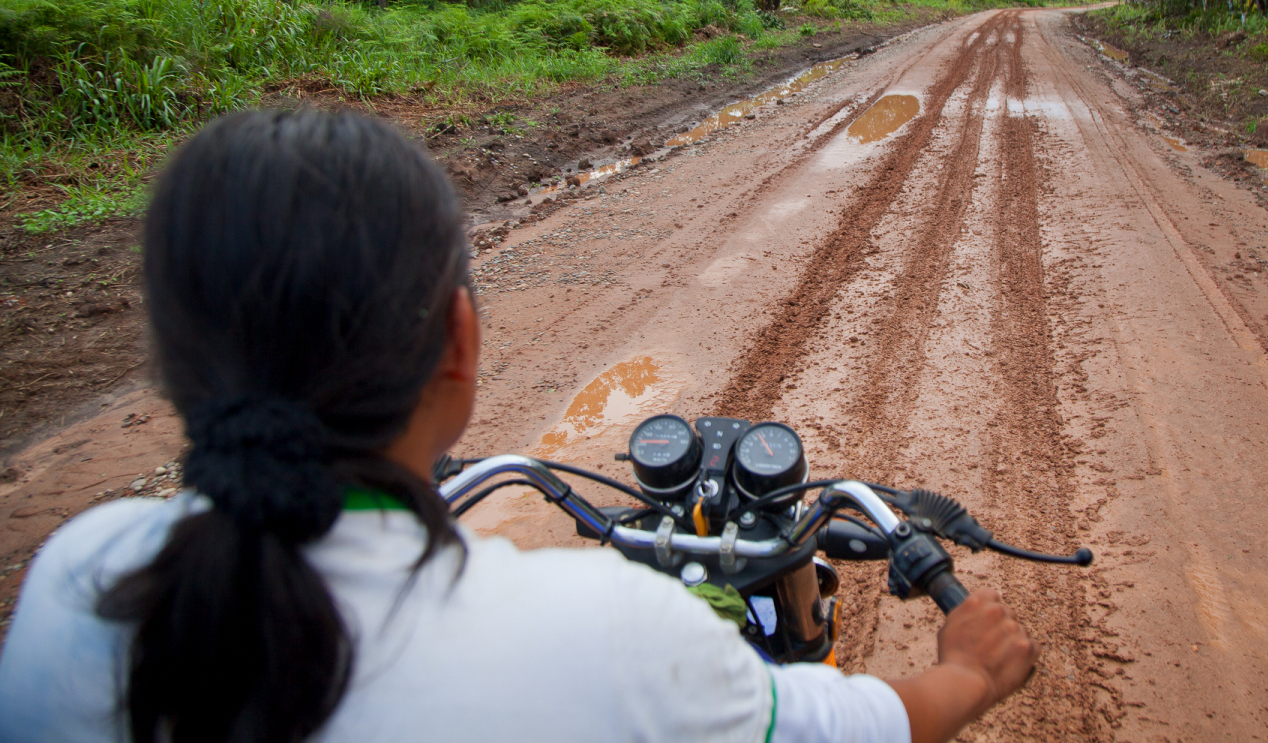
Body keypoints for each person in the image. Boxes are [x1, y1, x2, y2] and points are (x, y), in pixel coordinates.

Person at [0, 109, 1039, 743]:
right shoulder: (607, 636)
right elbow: (863, 726)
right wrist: (964, 670)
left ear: (171, 366)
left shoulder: (73, 580)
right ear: (460, 338)